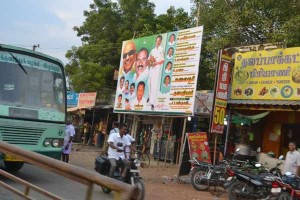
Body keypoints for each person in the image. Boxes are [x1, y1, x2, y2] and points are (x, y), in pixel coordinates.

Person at [148, 35, 165, 110]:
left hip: (157, 69)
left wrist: (156, 63)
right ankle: (149, 96)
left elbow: (163, 60)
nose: (157, 42)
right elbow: (149, 60)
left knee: (154, 85)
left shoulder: (161, 49)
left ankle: (152, 103)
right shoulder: (153, 50)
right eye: (156, 41)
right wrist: (151, 63)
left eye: (159, 41)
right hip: (151, 68)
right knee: (149, 83)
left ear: (160, 41)